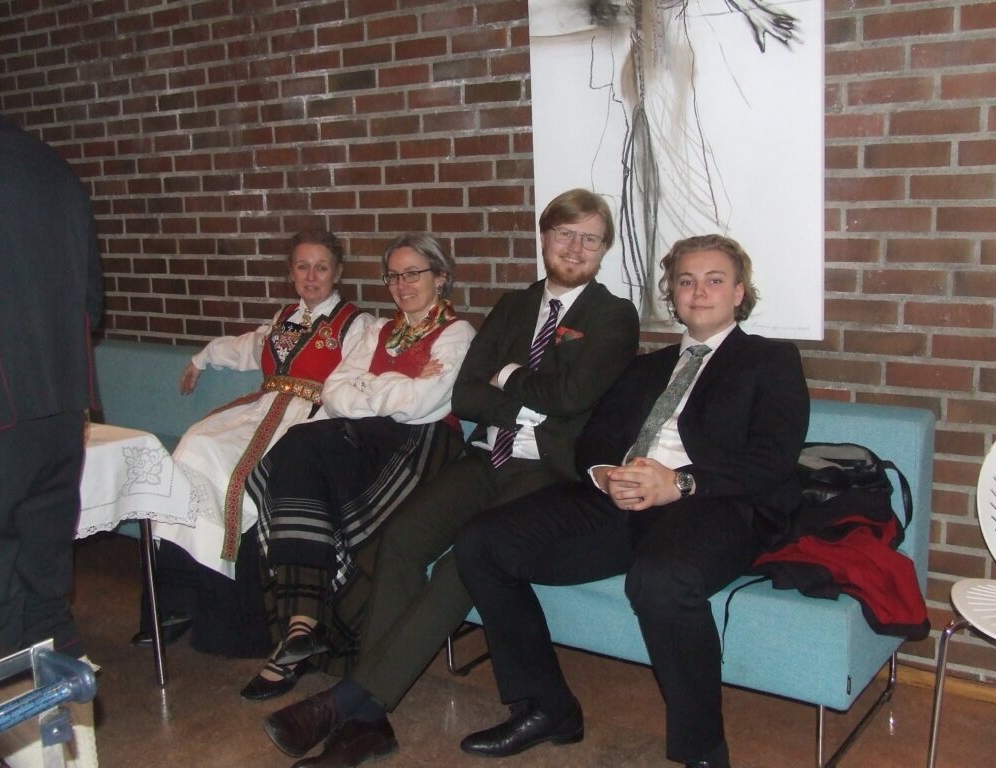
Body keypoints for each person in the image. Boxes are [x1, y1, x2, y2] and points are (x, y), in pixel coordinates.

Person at [260, 188, 641, 767]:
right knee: (401, 539)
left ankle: (356, 707)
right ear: (545, 238)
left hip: (547, 470)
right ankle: (368, 714)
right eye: (565, 234)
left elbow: (572, 396)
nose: (575, 247)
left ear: (604, 248)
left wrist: (505, 376)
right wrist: (527, 397)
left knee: (468, 556)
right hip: (484, 457)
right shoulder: (513, 306)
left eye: (590, 238)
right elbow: (466, 394)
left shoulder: (614, 316)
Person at [453, 234, 810, 768]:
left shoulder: (770, 360)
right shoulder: (647, 365)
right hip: (620, 497)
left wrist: (679, 482)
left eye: (714, 280)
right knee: (482, 541)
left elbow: (773, 457)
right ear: (673, 295)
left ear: (739, 293)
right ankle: (546, 708)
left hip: (713, 504)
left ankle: (703, 752)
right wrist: (604, 474)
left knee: (661, 580)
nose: (699, 291)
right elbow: (595, 436)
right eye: (686, 281)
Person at [240, 233, 476, 701]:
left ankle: (306, 632)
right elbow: (333, 392)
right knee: (296, 449)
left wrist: (368, 383)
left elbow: (423, 405)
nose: (402, 285)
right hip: (366, 437)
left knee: (308, 465)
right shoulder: (378, 330)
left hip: (423, 447)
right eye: (393, 276)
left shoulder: (458, 333)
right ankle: (302, 626)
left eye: (414, 274)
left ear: (441, 278)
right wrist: (394, 383)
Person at [141, 230, 373, 652]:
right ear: (291, 273)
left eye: (321, 267)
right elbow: (247, 347)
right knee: (194, 446)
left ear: (338, 272)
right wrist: (201, 357)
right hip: (263, 408)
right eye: (302, 266)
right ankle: (177, 598)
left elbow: (358, 381)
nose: (311, 276)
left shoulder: (356, 324)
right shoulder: (285, 317)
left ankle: (231, 615)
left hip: (310, 420)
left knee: (243, 476)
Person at [0, 76, 103, 662]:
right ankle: (61, 709)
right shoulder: (56, 168)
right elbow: (93, 304)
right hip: (62, 400)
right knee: (46, 581)